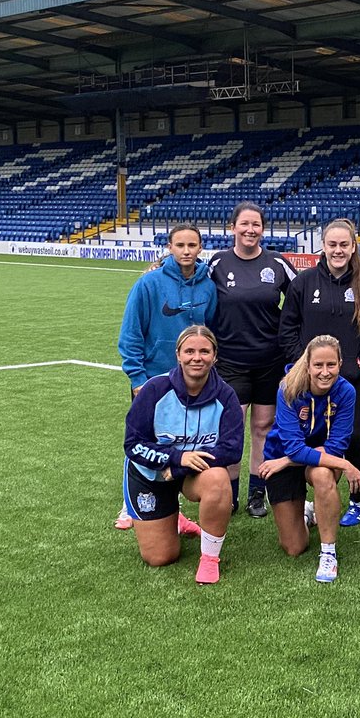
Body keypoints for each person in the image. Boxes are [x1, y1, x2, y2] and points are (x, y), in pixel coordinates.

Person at [279, 218, 360, 528]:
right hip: (306, 379)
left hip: (349, 378)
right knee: (305, 437)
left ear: (353, 247)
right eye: (332, 244)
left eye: (344, 244)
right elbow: (287, 327)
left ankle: (357, 501)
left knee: (351, 437)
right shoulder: (304, 282)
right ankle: (305, 498)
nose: (338, 250)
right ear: (322, 247)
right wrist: (303, 367)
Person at [116, 222, 219, 532]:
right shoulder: (148, 284)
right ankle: (129, 505)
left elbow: (210, 332)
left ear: (200, 248)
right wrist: (137, 378)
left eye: (192, 246)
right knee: (143, 442)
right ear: (169, 248)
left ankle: (172, 512)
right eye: (180, 246)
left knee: (178, 440)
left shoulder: (209, 287)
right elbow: (131, 333)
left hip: (191, 381)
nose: (186, 251)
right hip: (152, 380)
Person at [122, 326, 244, 584]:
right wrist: (177, 457)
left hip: (187, 474)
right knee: (160, 557)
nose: (196, 357)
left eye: (204, 351)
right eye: (189, 351)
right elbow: (133, 444)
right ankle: (174, 519)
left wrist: (179, 466)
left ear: (215, 356)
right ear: (178, 355)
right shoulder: (155, 390)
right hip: (151, 474)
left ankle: (210, 559)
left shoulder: (226, 395)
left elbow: (231, 450)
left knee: (219, 479)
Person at [208, 201, 297, 519]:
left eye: (256, 224)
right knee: (232, 428)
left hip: (270, 361)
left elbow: (299, 296)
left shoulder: (277, 263)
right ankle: (229, 495)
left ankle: (256, 494)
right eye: (244, 224)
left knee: (263, 426)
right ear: (233, 227)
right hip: (230, 361)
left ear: (263, 229)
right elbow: (192, 285)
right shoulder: (217, 262)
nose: (250, 230)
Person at [260, 335, 360, 582]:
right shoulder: (289, 388)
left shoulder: (346, 392)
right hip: (281, 455)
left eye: (331, 365)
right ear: (307, 365)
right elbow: (294, 447)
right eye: (318, 365)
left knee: (321, 473)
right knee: (294, 547)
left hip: (296, 460)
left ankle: (328, 553)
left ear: (340, 363)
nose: (325, 372)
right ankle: (308, 512)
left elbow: (336, 445)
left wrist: (287, 460)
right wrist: (345, 463)